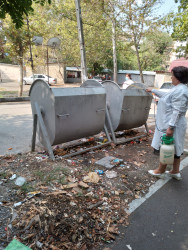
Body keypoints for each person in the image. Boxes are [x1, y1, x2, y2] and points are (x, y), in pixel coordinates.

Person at [146, 66, 188, 180]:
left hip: (172, 125)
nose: (171, 78)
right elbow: (166, 96)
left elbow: (177, 111)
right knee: (175, 148)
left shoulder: (181, 90)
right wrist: (153, 90)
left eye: (172, 75)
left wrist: (170, 127)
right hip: (172, 124)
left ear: (178, 77)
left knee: (166, 147)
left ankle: (160, 171)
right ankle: (175, 171)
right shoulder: (178, 88)